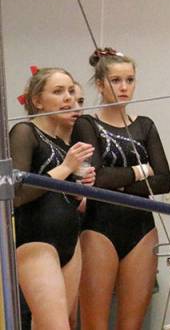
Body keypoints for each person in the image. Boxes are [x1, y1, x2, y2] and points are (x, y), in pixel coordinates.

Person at [71, 48, 170, 330]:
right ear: (101, 84)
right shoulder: (87, 124)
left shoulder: (145, 126)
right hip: (99, 226)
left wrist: (119, 180)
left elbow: (163, 180)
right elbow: (98, 179)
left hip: (141, 227)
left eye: (130, 79)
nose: (124, 87)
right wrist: (140, 171)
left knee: (132, 325)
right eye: (116, 80)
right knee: (95, 323)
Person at [11, 67, 95, 330]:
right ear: (37, 100)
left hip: (70, 241)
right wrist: (66, 168)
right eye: (58, 92)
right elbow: (17, 196)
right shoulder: (24, 132)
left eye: (71, 91)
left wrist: (79, 189)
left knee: (58, 324)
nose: (68, 98)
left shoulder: (62, 142)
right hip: (37, 242)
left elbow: (58, 193)